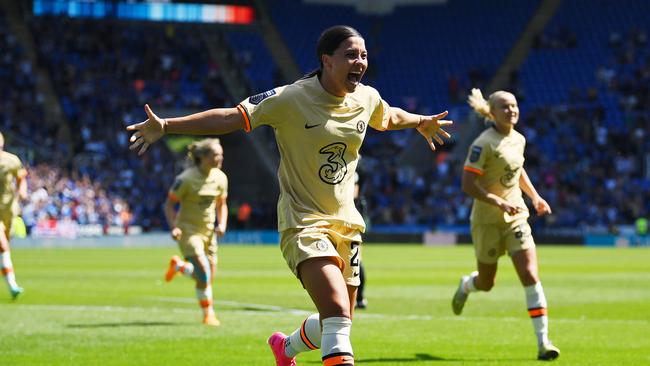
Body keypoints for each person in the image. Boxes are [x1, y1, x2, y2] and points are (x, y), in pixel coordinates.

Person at [128, 25, 452, 366]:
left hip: (347, 225)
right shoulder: (291, 98)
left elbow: (388, 116)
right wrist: (167, 125)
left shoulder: (365, 98)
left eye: (364, 55)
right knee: (338, 315)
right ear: (327, 60)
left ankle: (286, 348)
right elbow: (232, 117)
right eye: (351, 55)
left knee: (340, 319)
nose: (360, 61)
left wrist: (419, 121)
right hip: (304, 223)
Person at [451, 89, 560, 361]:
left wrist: (535, 197)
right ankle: (467, 285)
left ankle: (543, 342)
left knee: (530, 276)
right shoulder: (483, 143)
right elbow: (467, 184)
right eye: (505, 106)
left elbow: (518, 168)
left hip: (516, 217)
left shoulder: (519, 139)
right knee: (487, 283)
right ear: (492, 112)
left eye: (514, 105)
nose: (512, 110)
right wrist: (498, 203)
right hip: (487, 222)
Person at [163, 138, 228, 327]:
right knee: (204, 273)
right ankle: (208, 314)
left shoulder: (221, 177)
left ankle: (179, 267)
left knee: (205, 276)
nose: (221, 158)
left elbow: (221, 203)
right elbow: (169, 205)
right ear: (204, 157)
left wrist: (222, 223)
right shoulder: (185, 179)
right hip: (188, 231)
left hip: (209, 233)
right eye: (217, 154)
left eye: (221, 154)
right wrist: (173, 226)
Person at [0, 132, 28, 300]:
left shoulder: (12, 160)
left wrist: (22, 189)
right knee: (3, 245)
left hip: (8, 210)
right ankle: (12, 285)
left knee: (4, 248)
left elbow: (21, 177)